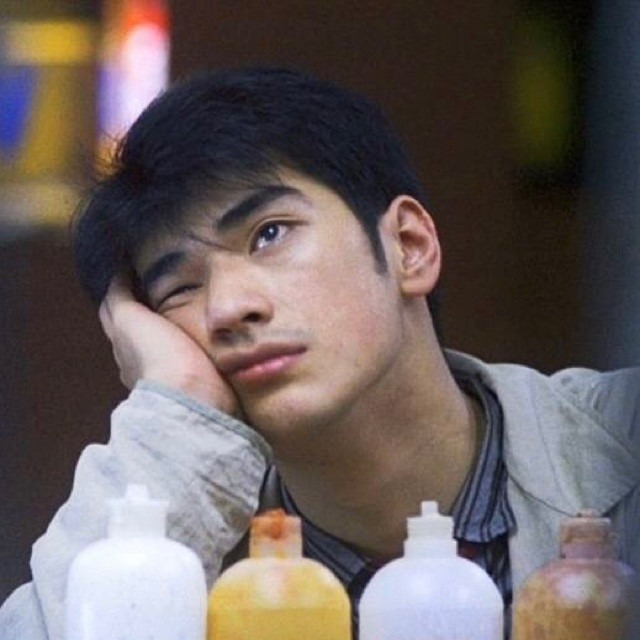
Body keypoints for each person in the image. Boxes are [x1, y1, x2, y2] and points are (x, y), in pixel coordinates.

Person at [1, 67, 639, 640]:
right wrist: (177, 411)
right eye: (179, 288)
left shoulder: (622, 437)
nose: (229, 308)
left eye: (269, 234)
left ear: (409, 246)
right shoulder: (180, 543)